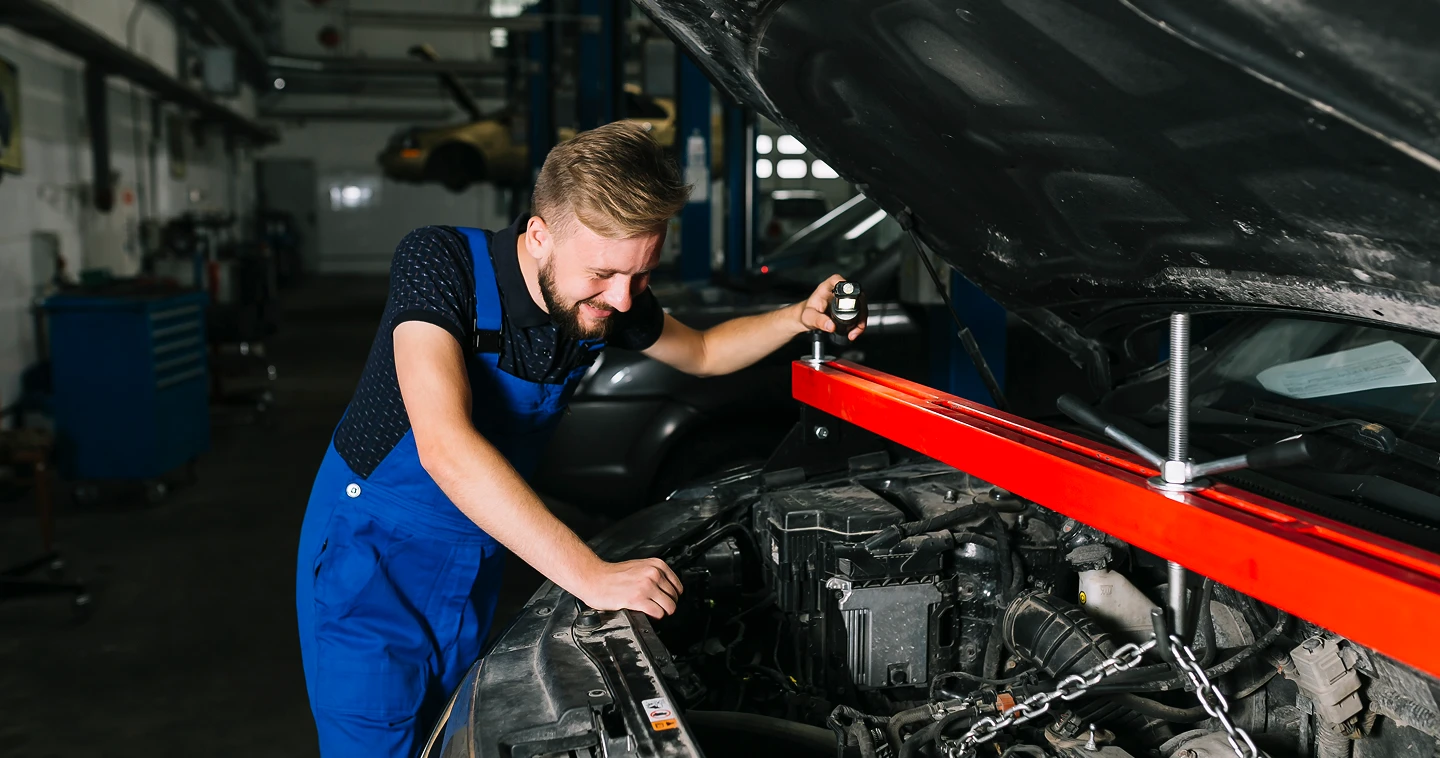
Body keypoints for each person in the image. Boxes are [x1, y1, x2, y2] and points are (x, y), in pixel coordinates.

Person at [294, 121, 866, 758]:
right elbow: (446, 445)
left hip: (476, 555)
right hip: (372, 557)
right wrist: (590, 575)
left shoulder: (604, 291)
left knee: (455, 736)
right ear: (539, 234)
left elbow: (702, 352)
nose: (622, 300)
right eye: (603, 274)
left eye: (640, 276)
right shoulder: (439, 264)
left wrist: (795, 316)